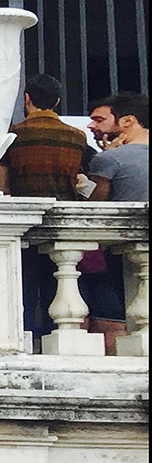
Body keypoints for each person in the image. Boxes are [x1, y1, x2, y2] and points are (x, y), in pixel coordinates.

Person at [0, 75, 97, 338]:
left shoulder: (14, 135)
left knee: (24, 288)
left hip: (23, 221)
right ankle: (59, 339)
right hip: (62, 223)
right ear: (57, 101)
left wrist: (9, 193)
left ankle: (25, 337)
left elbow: (3, 178)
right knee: (59, 284)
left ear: (27, 99)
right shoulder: (76, 137)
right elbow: (82, 176)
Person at [82, 92, 147, 345]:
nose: (91, 126)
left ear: (128, 121)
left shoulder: (109, 159)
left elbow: (94, 208)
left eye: (99, 120)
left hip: (120, 254)